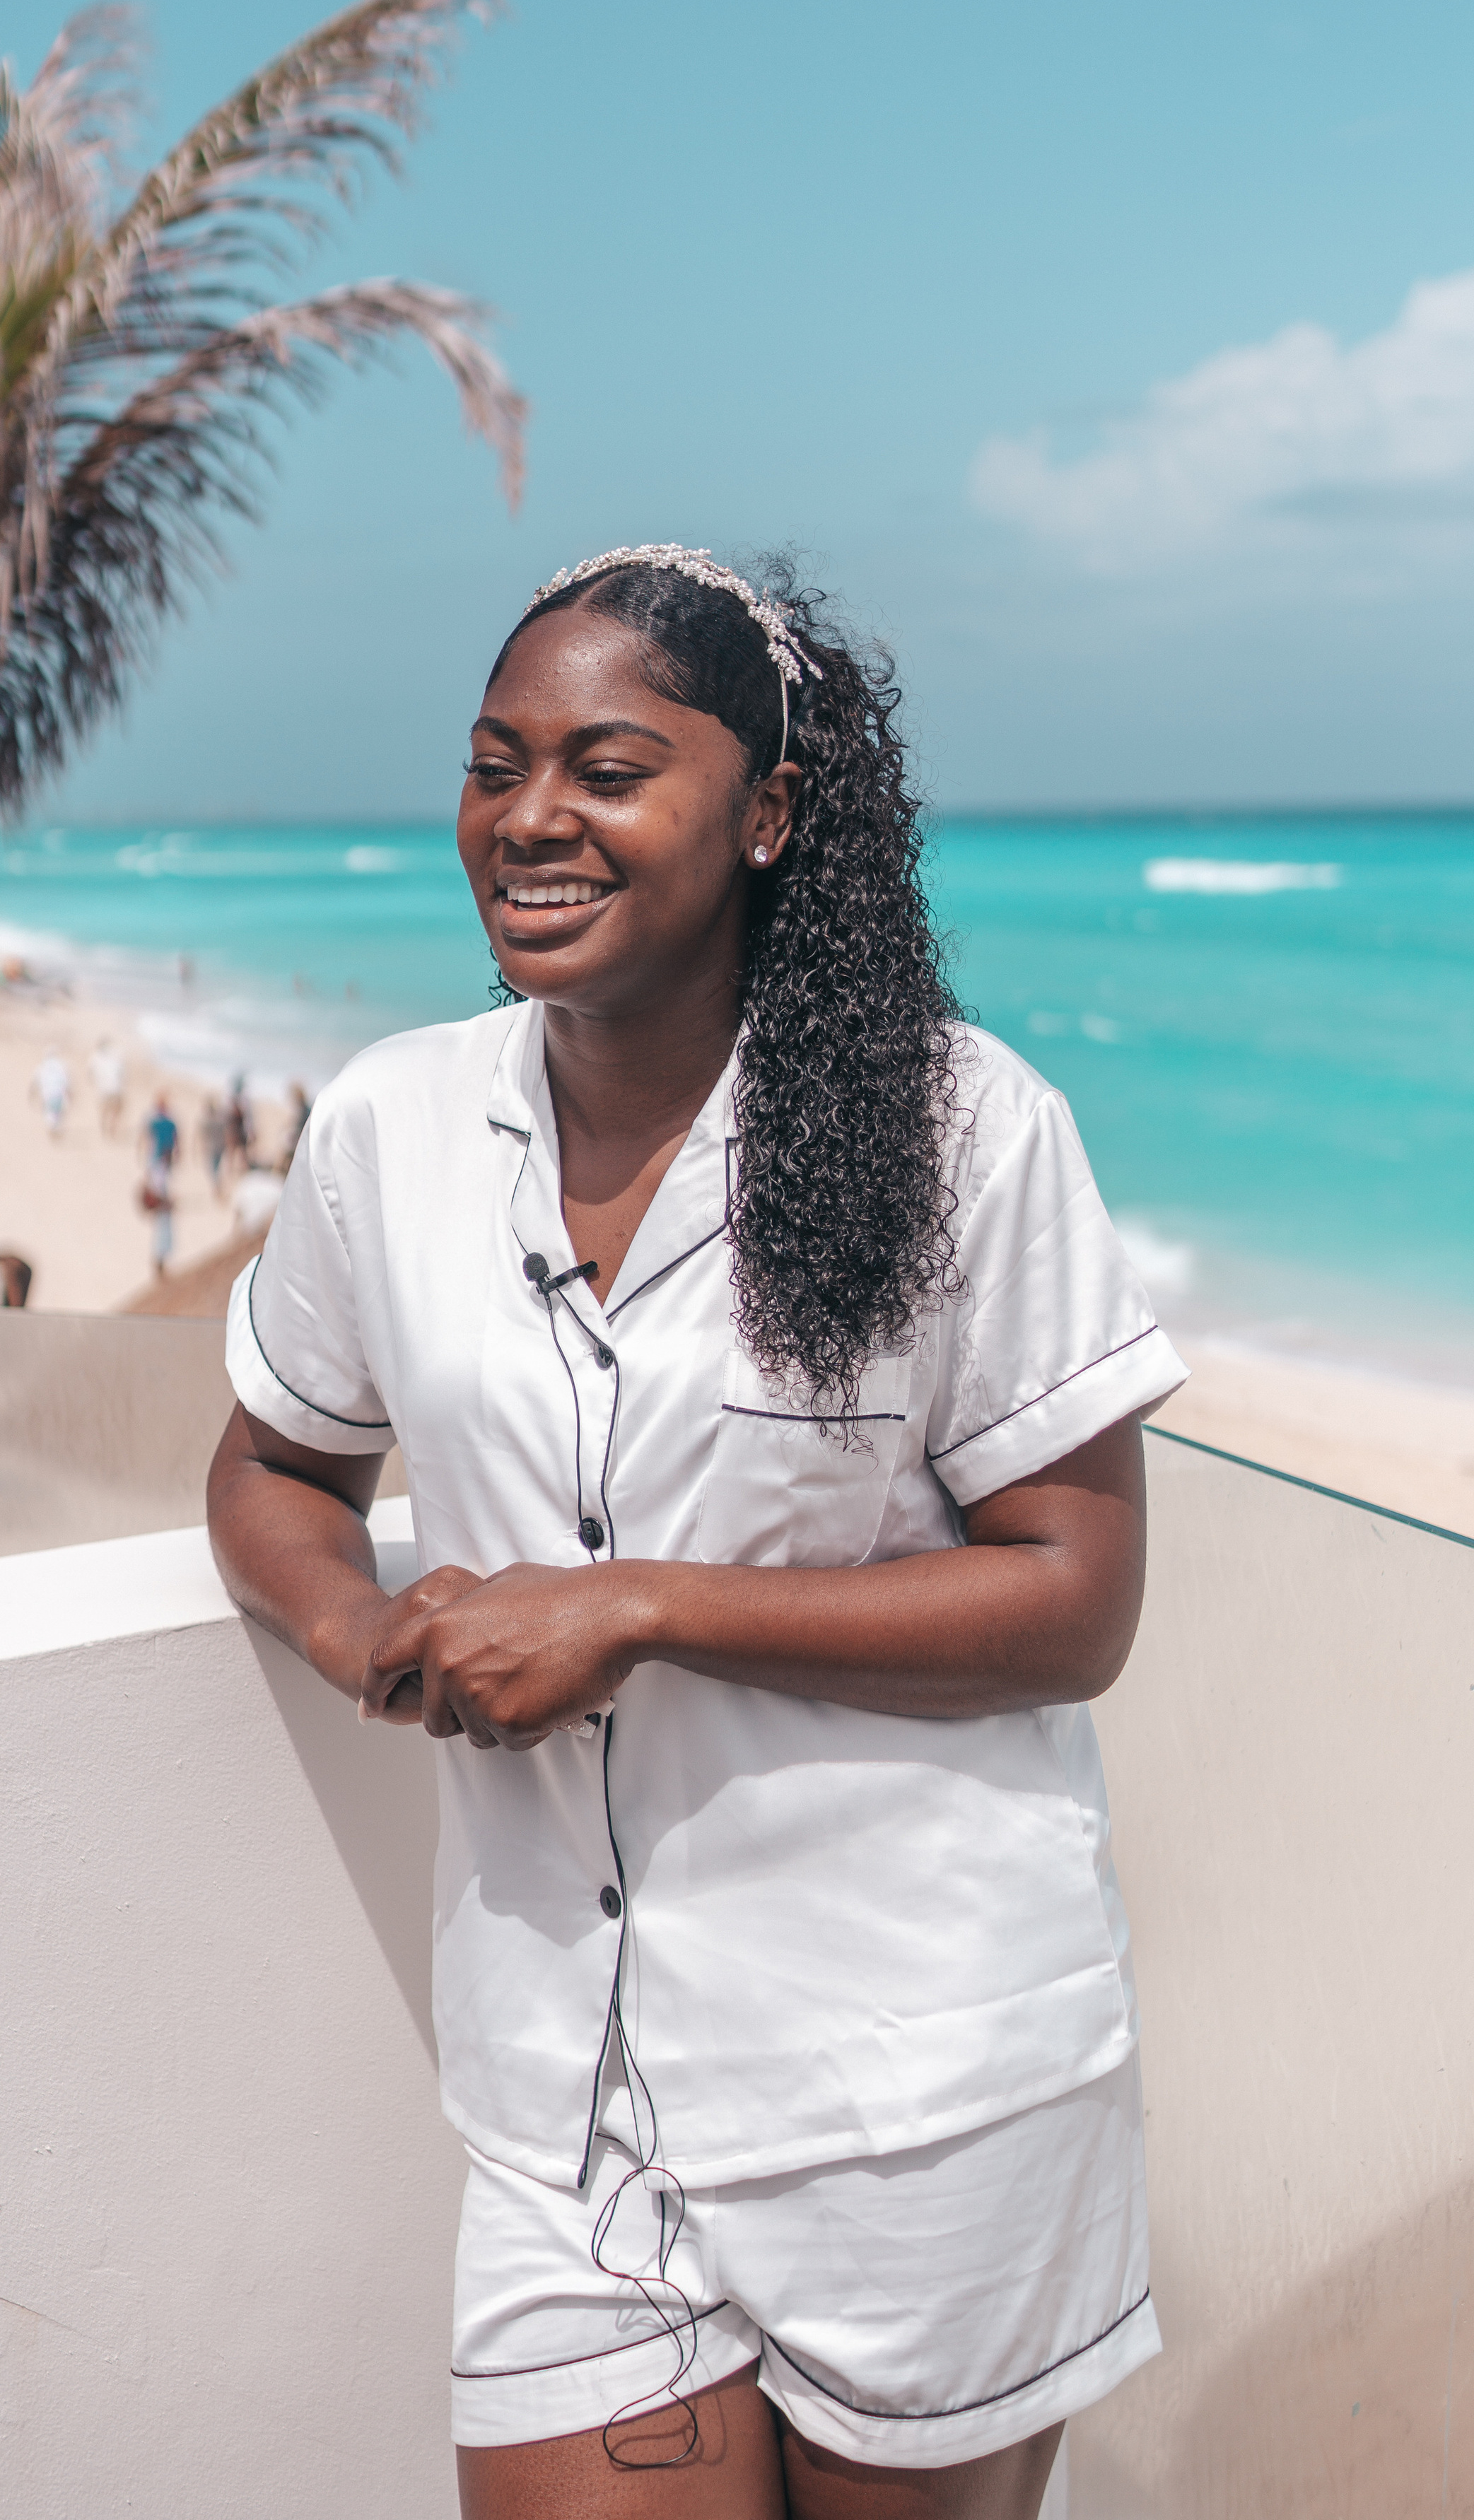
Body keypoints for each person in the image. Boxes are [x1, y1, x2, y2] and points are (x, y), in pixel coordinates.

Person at [207, 549, 1188, 2520]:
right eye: (494, 763)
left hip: (918, 2089)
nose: (529, 817)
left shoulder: (965, 1130)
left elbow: (1076, 1599)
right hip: (561, 2098)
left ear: (765, 812)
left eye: (606, 768)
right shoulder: (392, 1128)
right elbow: (273, 1469)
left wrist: (634, 1608)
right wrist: (364, 1638)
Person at [139, 1094, 179, 1277]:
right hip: (161, 1206)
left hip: (156, 1170)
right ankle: (159, 1264)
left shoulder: (156, 1121)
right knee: (162, 1233)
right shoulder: (167, 1123)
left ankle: (160, 1263)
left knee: (161, 1233)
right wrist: (168, 1203)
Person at [89, 1038, 127, 1140]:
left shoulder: (95, 1057)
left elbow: (90, 1073)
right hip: (116, 1089)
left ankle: (104, 1131)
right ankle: (112, 1131)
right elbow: (122, 1073)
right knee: (115, 1112)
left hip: (103, 1090)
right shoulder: (116, 1055)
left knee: (103, 1112)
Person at [30, 1048, 71, 1137]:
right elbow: (68, 1082)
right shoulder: (62, 1066)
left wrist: (31, 1093)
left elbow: (34, 1082)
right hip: (60, 1095)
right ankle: (56, 1131)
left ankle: (53, 1132)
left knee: (50, 1116)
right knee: (59, 1115)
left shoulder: (42, 1067)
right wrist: (70, 1093)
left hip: (47, 1096)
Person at [198, 1094, 228, 1200]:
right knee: (217, 1169)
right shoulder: (220, 1121)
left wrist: (202, 1147)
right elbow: (225, 1134)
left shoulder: (207, 1121)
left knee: (213, 1170)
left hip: (211, 1148)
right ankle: (218, 1187)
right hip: (220, 1147)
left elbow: (203, 1136)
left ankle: (217, 1188)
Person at [278, 1080, 312, 1173]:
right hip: (301, 1136)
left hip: (301, 1138)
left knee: (286, 1144)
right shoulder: (304, 1108)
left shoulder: (304, 1109)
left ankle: (282, 1170)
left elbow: (299, 1126)